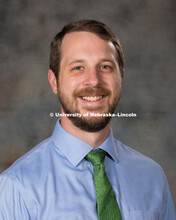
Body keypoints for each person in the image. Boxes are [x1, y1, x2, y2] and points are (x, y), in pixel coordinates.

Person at [0, 20, 175, 220]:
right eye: (77, 68)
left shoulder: (152, 177)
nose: (94, 80)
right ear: (54, 81)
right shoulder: (17, 187)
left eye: (105, 66)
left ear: (121, 78)